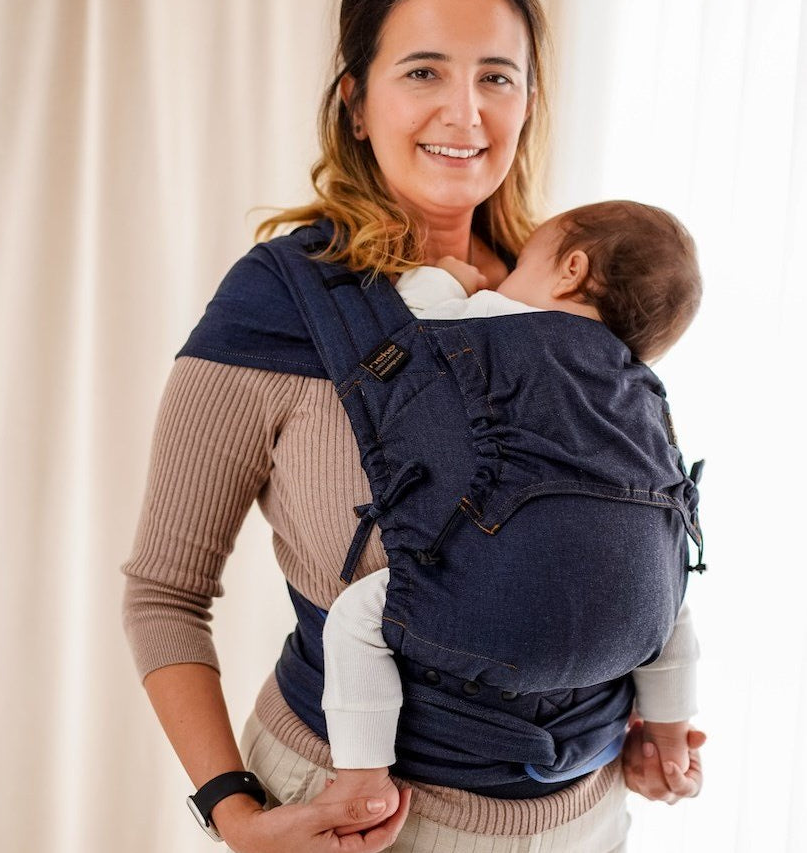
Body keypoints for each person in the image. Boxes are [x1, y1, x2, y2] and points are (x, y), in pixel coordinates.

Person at [120, 1, 706, 851]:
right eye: (423, 70)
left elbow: (620, 532)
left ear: (529, 101)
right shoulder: (283, 304)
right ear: (356, 102)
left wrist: (653, 723)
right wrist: (234, 812)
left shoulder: (587, 314)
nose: (464, 111)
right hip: (356, 821)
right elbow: (163, 593)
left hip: (585, 818)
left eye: (495, 77)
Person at [318, 199, 704, 822]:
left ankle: (361, 778)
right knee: (671, 596)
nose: (501, 278)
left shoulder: (495, 318)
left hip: (499, 612)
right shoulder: (637, 388)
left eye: (522, 262)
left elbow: (409, 325)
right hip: (636, 624)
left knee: (358, 616)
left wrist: (449, 278)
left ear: (570, 270)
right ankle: (669, 737)